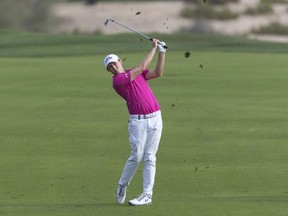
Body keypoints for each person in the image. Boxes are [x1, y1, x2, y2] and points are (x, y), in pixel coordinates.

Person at [103, 39, 167, 206]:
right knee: (136, 156)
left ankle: (147, 195)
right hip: (137, 123)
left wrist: (162, 52)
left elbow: (158, 73)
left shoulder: (135, 73)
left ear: (120, 61)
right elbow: (141, 67)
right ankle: (122, 185)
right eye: (109, 67)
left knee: (150, 157)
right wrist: (153, 48)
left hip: (155, 118)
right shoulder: (118, 81)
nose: (113, 67)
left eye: (114, 63)